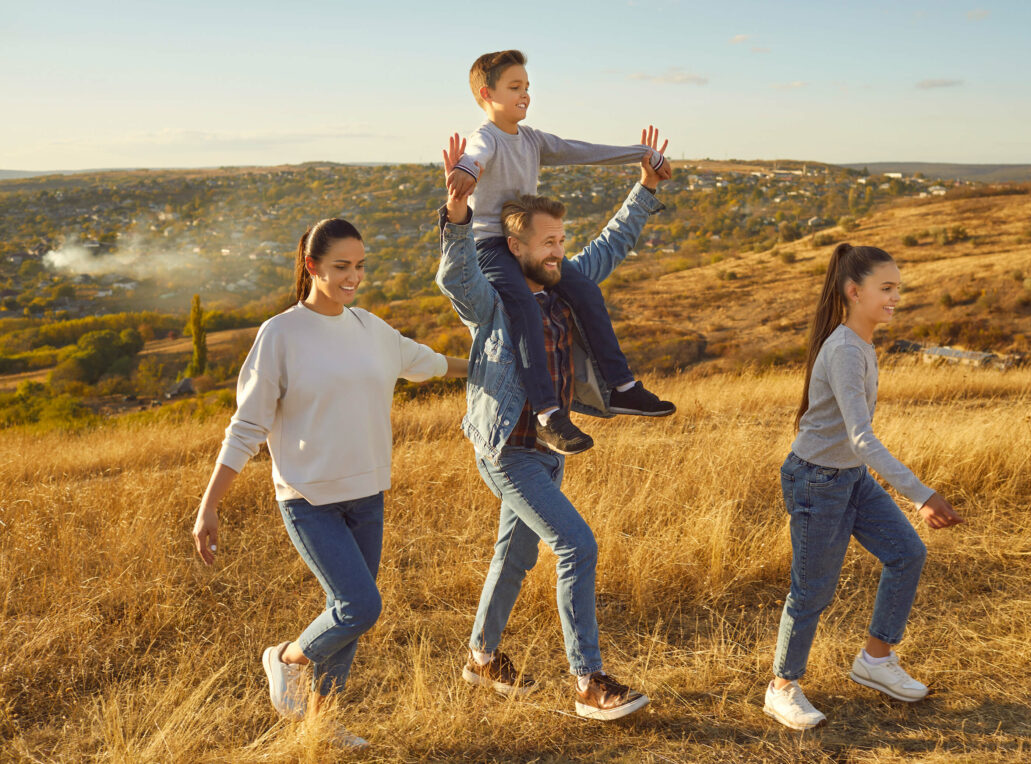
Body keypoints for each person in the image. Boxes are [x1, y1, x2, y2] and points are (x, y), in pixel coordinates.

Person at [190, 218, 468, 749]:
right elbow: (246, 426)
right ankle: (287, 657)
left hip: (367, 494)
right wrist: (209, 506)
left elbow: (431, 363)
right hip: (309, 497)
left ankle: (323, 723)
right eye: (341, 266)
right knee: (359, 606)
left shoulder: (371, 329)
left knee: (351, 616)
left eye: (360, 266)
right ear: (312, 266)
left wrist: (492, 366)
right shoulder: (282, 334)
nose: (353, 277)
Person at [436, 132, 670, 720]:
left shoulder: (563, 285)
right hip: (505, 449)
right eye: (549, 242)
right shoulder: (492, 302)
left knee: (513, 558)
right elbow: (455, 276)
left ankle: (481, 658)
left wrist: (645, 187)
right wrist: (458, 214)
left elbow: (611, 246)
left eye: (561, 241)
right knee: (576, 545)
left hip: (548, 451)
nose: (559, 251)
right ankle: (588, 681)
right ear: (515, 247)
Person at [763, 243, 965, 731]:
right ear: (854, 292)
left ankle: (875, 660)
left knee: (906, 554)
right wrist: (921, 493)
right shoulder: (845, 350)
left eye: (899, 288)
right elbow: (861, 436)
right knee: (812, 591)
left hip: (849, 475)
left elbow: (854, 445)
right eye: (887, 288)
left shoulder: (860, 343)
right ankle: (781, 688)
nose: (897, 297)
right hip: (817, 481)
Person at [446, 49, 676, 456]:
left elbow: (583, 151)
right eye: (514, 87)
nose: (525, 95)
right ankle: (548, 414)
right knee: (523, 304)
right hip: (492, 247)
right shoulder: (487, 137)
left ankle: (621, 387)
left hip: (529, 241)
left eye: (527, 88)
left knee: (586, 289)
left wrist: (641, 154)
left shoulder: (532, 140)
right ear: (487, 93)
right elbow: (475, 156)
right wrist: (464, 171)